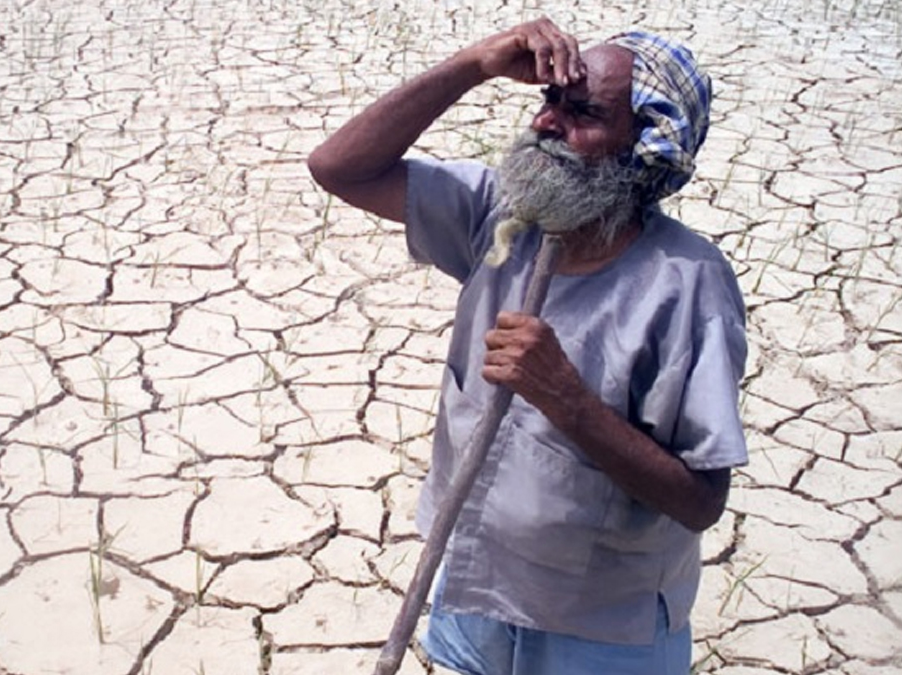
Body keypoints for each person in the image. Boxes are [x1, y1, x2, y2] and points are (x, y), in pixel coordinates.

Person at [307, 18, 748, 675]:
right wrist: (473, 63)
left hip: (599, 625)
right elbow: (338, 166)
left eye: (583, 113)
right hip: (474, 574)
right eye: (549, 101)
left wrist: (568, 400)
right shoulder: (499, 214)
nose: (547, 124)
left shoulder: (687, 284)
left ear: (646, 145)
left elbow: (700, 498)